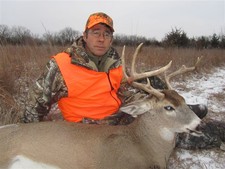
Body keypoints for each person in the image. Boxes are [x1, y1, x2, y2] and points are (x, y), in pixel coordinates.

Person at [21, 12, 224, 149]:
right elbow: (34, 105)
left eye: (106, 34)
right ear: (84, 35)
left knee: (154, 84)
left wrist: (151, 102)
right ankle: (214, 134)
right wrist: (32, 140)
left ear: (111, 38)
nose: (101, 38)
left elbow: (123, 89)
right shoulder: (61, 65)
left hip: (120, 114)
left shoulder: (114, 62)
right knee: (164, 132)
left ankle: (181, 109)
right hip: (91, 129)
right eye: (96, 33)